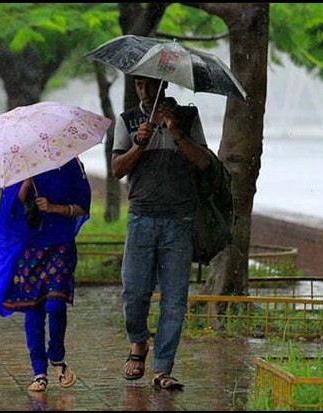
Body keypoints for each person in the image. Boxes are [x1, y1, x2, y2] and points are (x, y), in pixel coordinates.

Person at [111, 76, 212, 390]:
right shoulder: (127, 120)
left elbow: (204, 162)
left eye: (151, 85)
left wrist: (176, 132)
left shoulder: (188, 116)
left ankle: (163, 368)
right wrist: (141, 142)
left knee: (174, 299)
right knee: (134, 291)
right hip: (141, 216)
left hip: (179, 220)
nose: (145, 91)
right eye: (140, 85)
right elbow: (117, 169)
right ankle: (138, 343)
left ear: (164, 85)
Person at [0, 158, 91, 393]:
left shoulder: (71, 166)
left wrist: (54, 208)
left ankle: (57, 356)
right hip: (29, 247)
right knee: (32, 308)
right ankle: (39, 372)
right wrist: (26, 183)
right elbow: (10, 212)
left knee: (55, 305)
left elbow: (83, 207)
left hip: (61, 245)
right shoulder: (19, 167)